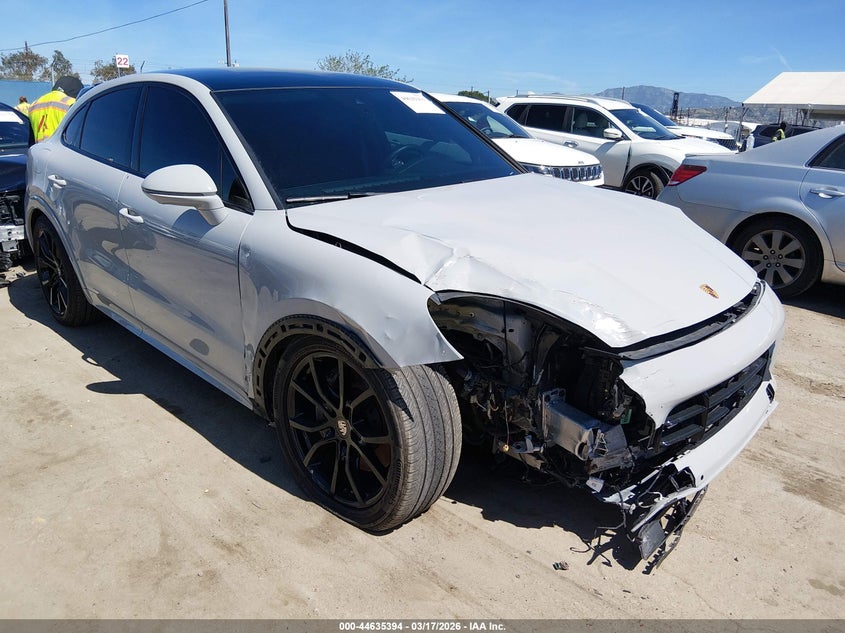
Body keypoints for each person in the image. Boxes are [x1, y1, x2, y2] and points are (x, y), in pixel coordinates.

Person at [28, 75, 83, 142]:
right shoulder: (71, 103)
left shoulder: (34, 104)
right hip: (60, 150)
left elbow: (31, 139)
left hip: (39, 149)